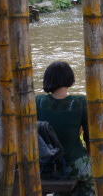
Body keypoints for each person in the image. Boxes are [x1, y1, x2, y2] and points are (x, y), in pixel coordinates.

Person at [36, 61, 93, 196]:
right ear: (70, 79)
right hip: (75, 162)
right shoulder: (80, 102)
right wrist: (91, 157)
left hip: (48, 165)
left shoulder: (38, 101)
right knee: (91, 182)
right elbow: (89, 136)